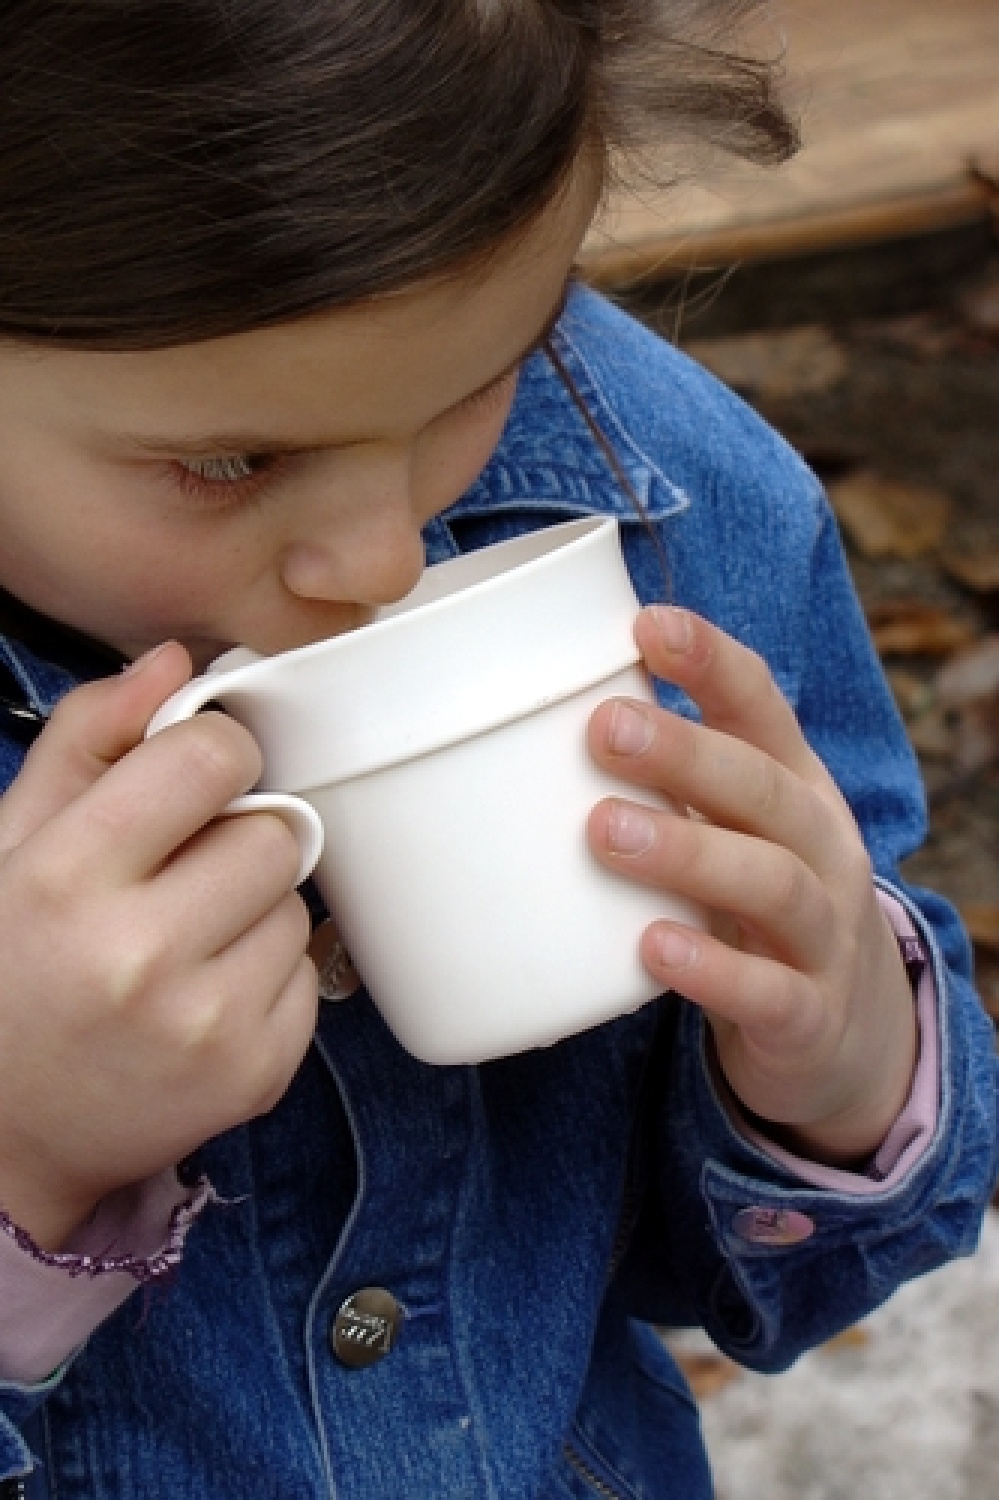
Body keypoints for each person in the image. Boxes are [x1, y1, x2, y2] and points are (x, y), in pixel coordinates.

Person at [0, 2, 994, 1496]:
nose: (378, 554)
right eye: (229, 463)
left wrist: (842, 1074)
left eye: (487, 374)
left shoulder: (684, 507)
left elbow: (767, 1284)